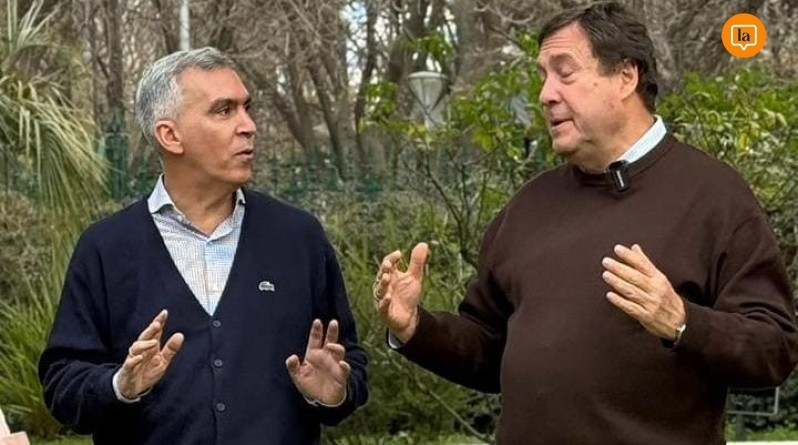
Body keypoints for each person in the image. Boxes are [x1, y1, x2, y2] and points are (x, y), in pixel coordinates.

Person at [373, 2, 798, 444]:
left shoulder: (713, 196)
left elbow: (775, 348)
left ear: (626, 76)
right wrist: (415, 327)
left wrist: (683, 322)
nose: (546, 94)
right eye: (543, 76)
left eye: (565, 72)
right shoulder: (529, 206)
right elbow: (488, 349)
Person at [39, 47, 367, 445]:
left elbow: (349, 364)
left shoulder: (298, 238)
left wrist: (335, 395)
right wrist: (119, 386)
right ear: (170, 135)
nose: (249, 126)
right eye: (224, 110)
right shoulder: (106, 248)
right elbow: (63, 383)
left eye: (247, 108)